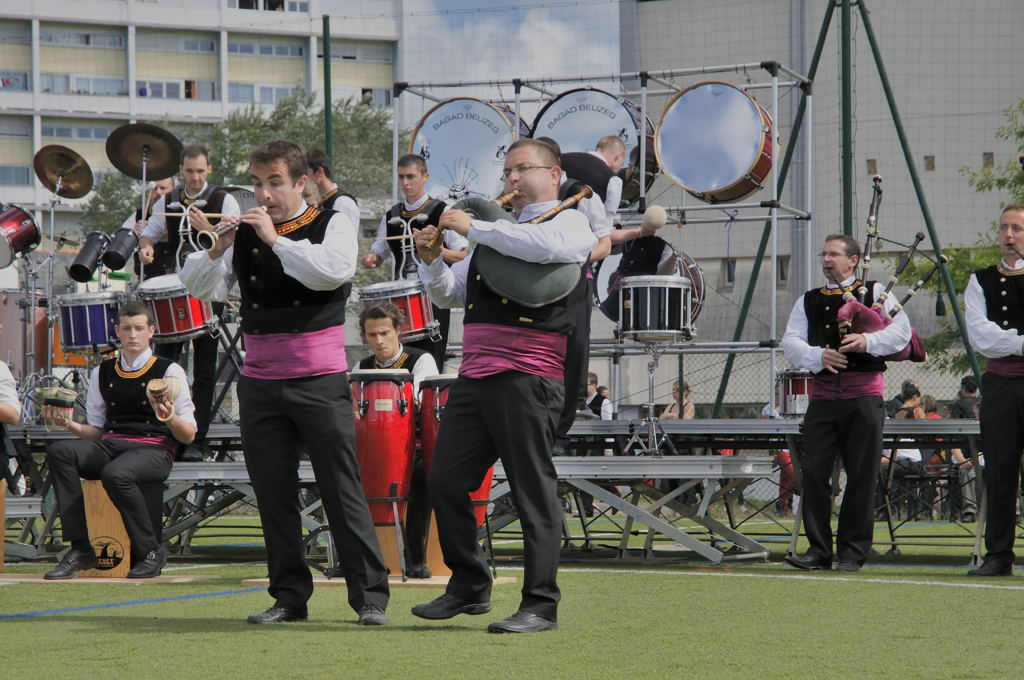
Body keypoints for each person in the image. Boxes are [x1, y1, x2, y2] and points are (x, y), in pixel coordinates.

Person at [179, 139, 390, 624]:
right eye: (257, 184)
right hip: (260, 383)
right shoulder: (246, 233)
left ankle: (370, 597)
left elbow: (332, 272)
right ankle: (290, 597)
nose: (264, 194)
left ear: (302, 182)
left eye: (274, 183)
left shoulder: (331, 220)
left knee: (341, 488)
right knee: (272, 493)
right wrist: (219, 246)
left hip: (319, 380)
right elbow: (198, 288)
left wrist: (274, 239)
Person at [409, 138, 596, 633]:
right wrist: (430, 258)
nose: (512, 179)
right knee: (444, 478)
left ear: (554, 174)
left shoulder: (569, 218)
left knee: (533, 490)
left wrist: (477, 227)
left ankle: (540, 604)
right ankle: (469, 585)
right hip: (475, 375)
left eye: (523, 169)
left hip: (529, 377)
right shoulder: (498, 231)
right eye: (508, 170)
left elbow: (553, 249)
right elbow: (451, 293)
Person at [781, 234, 911, 573]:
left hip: (865, 397)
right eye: (824, 254)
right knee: (813, 473)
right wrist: (818, 354)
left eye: (834, 254)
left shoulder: (876, 291)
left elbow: (902, 333)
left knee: (862, 476)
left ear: (853, 260)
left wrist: (866, 340)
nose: (826, 260)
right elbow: (790, 342)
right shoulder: (808, 300)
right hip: (823, 397)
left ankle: (852, 553)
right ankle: (818, 551)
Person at [43, 302, 196, 580]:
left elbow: (188, 434)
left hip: (154, 449)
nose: (133, 335)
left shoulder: (170, 371)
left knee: (116, 473)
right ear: (117, 331)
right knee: (60, 451)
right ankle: (80, 548)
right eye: (127, 328)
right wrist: (69, 424)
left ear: (151, 331)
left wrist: (169, 417)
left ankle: (151, 551)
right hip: (112, 445)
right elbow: (97, 431)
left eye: (139, 328)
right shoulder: (102, 371)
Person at [139, 144, 241, 462]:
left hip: (210, 289)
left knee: (205, 367)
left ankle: (199, 438)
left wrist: (208, 229)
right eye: (189, 171)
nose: (195, 177)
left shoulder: (224, 199)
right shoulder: (167, 200)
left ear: (209, 170)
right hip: (177, 289)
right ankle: (166, 434)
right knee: (166, 365)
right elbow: (150, 232)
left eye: (200, 171)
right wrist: (145, 246)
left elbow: (230, 240)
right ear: (181, 170)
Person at [362, 154, 469, 370]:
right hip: (398, 303)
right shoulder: (391, 215)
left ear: (425, 177)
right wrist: (371, 259)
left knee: (431, 360)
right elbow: (378, 253)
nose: (405, 183)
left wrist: (436, 251)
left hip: (433, 298)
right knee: (397, 361)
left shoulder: (443, 211)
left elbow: (463, 255)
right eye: (401, 177)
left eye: (411, 176)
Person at [962, 203, 1024, 576]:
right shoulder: (980, 280)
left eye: (1016, 228)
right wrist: (1020, 344)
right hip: (1000, 385)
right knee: (999, 469)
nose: (1008, 235)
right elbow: (981, 336)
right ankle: (998, 554)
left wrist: (1009, 339)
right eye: (1003, 228)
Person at [356, 302, 439, 579]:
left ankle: (415, 559)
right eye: (372, 335)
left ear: (398, 331)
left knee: (420, 477)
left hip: (410, 448)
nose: (379, 342)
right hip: (372, 450)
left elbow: (418, 406)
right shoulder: (361, 367)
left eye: (385, 333)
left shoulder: (421, 360)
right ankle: (352, 557)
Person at [117, 178, 175, 279]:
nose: (158, 192)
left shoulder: (181, 212)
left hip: (177, 276)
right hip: (148, 279)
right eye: (154, 188)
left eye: (163, 188)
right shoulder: (139, 215)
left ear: (173, 190)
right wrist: (134, 233)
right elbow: (121, 241)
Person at [306, 148, 360, 233]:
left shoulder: (343, 202)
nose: (302, 179)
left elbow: (344, 240)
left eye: (305, 174)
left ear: (319, 172)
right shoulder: (319, 201)